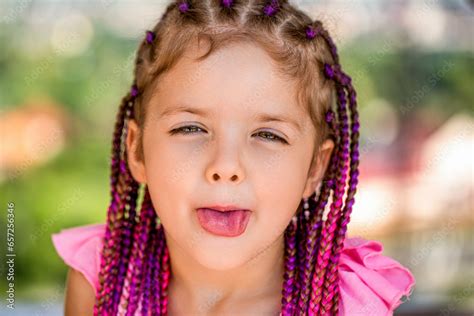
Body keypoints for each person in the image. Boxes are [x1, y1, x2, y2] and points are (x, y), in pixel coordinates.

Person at [52, 0, 415, 315]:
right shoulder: (103, 280)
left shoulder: (348, 305)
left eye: (268, 135)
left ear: (315, 168)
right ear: (136, 149)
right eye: (190, 128)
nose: (226, 168)